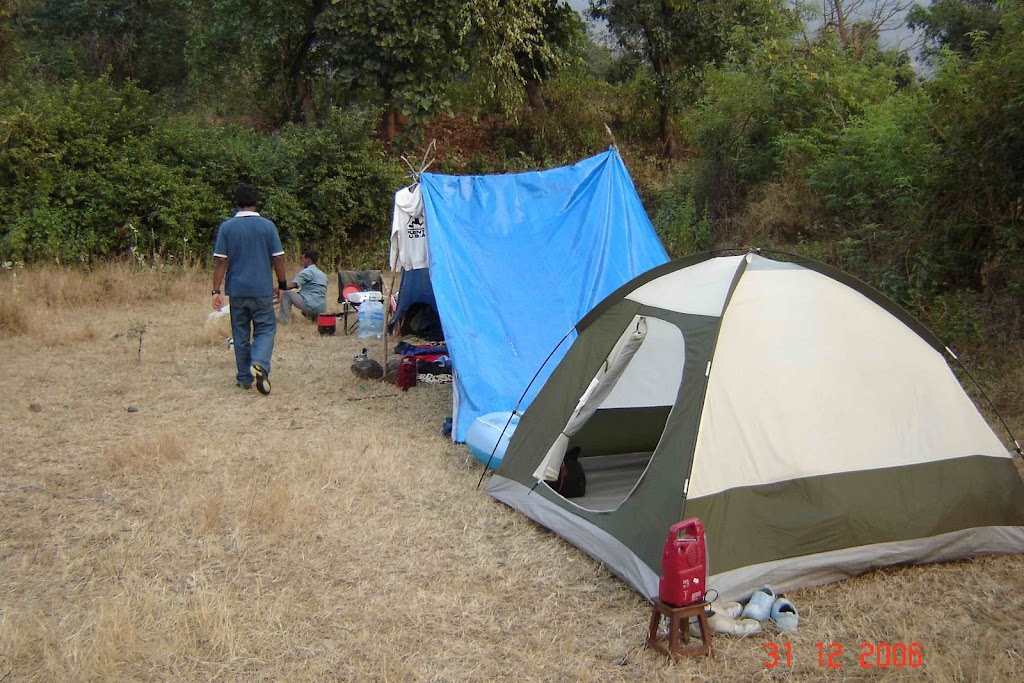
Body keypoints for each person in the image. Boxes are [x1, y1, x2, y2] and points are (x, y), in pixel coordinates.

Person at [211, 185, 294, 395]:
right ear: (256, 203)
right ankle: (259, 363)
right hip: (262, 289)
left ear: (236, 204)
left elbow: (221, 261)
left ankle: (244, 378)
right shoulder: (268, 226)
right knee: (265, 329)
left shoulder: (227, 227)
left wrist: (216, 290)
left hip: (237, 290)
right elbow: (278, 258)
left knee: (240, 333)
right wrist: (282, 285)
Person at [278, 249, 328, 323]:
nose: (302, 262)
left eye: (303, 259)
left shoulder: (307, 271)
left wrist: (280, 288)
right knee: (305, 310)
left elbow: (294, 285)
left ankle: (284, 320)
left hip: (310, 305)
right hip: (322, 308)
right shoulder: (323, 274)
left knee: (286, 294)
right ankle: (317, 319)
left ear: (308, 260)